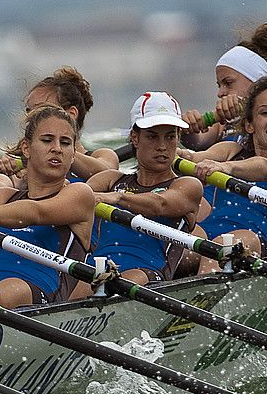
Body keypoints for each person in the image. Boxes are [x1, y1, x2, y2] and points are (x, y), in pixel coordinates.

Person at [0, 106, 97, 308]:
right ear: (26, 148)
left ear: (73, 155)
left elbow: (35, 212)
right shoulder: (2, 197)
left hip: (41, 292)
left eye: (65, 143)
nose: (57, 148)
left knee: (0, 294)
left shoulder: (80, 194)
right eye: (47, 140)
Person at [188, 76, 267, 263]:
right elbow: (191, 158)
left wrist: (224, 167)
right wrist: (175, 132)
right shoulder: (231, 149)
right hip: (207, 233)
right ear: (249, 125)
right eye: (265, 113)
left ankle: (206, 292)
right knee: (170, 238)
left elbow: (266, 167)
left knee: (224, 246)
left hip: (254, 244)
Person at [85, 92, 207, 286]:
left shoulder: (188, 186)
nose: (162, 146)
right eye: (152, 137)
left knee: (127, 280)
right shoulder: (110, 180)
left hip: (148, 276)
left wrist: (116, 198)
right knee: (77, 287)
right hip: (96, 269)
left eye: (170, 137)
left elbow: (160, 204)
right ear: (135, 137)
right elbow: (74, 198)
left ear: (178, 138)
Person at [182, 23, 267, 151]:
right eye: (219, 85)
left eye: (228, 83)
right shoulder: (222, 126)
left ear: (258, 83)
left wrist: (250, 107)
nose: (220, 93)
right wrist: (188, 126)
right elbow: (196, 143)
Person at [0, 66, 122, 182]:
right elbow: (2, 188)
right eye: (29, 112)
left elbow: (108, 175)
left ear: (71, 114)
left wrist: (50, 153)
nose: (30, 119)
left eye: (42, 110)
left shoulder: (104, 155)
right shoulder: (24, 161)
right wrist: (6, 169)